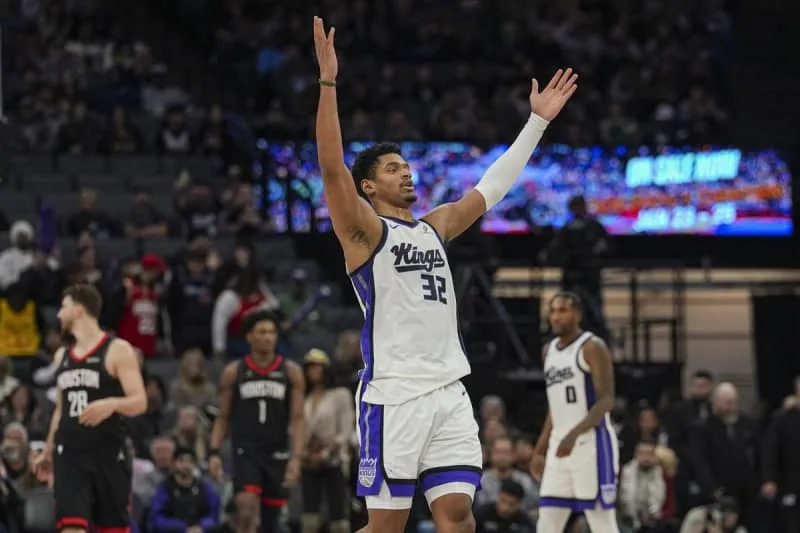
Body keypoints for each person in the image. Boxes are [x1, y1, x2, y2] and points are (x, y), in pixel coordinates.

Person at [312, 15, 578, 533]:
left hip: (449, 392)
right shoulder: (365, 234)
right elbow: (330, 168)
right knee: (385, 527)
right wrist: (327, 82)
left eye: (406, 165)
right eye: (391, 168)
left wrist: (537, 123)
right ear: (368, 187)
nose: (405, 171)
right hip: (395, 394)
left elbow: (491, 188)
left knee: (458, 520)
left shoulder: (436, 227)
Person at [33, 283, 147, 533]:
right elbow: (60, 410)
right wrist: (48, 450)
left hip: (108, 452)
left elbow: (140, 401)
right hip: (70, 454)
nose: (59, 314)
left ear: (78, 309)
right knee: (71, 529)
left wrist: (111, 404)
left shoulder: (117, 349)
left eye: (63, 307)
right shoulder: (62, 356)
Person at [530, 292, 619, 533]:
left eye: (563, 310)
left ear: (577, 314)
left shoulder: (592, 346)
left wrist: (573, 434)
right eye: (552, 311)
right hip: (560, 445)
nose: (556, 317)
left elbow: (607, 400)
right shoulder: (548, 351)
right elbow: (555, 406)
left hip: (591, 442)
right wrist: (540, 449)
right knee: (548, 518)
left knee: (601, 519)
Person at [209, 310, 305, 533]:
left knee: (272, 523)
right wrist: (214, 452)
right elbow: (223, 417)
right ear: (249, 336)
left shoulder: (291, 372)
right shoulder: (234, 372)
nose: (268, 337)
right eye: (261, 332)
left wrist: (296, 458)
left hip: (277, 451)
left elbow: (298, 419)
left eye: (272, 332)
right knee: (246, 512)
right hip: (246, 450)